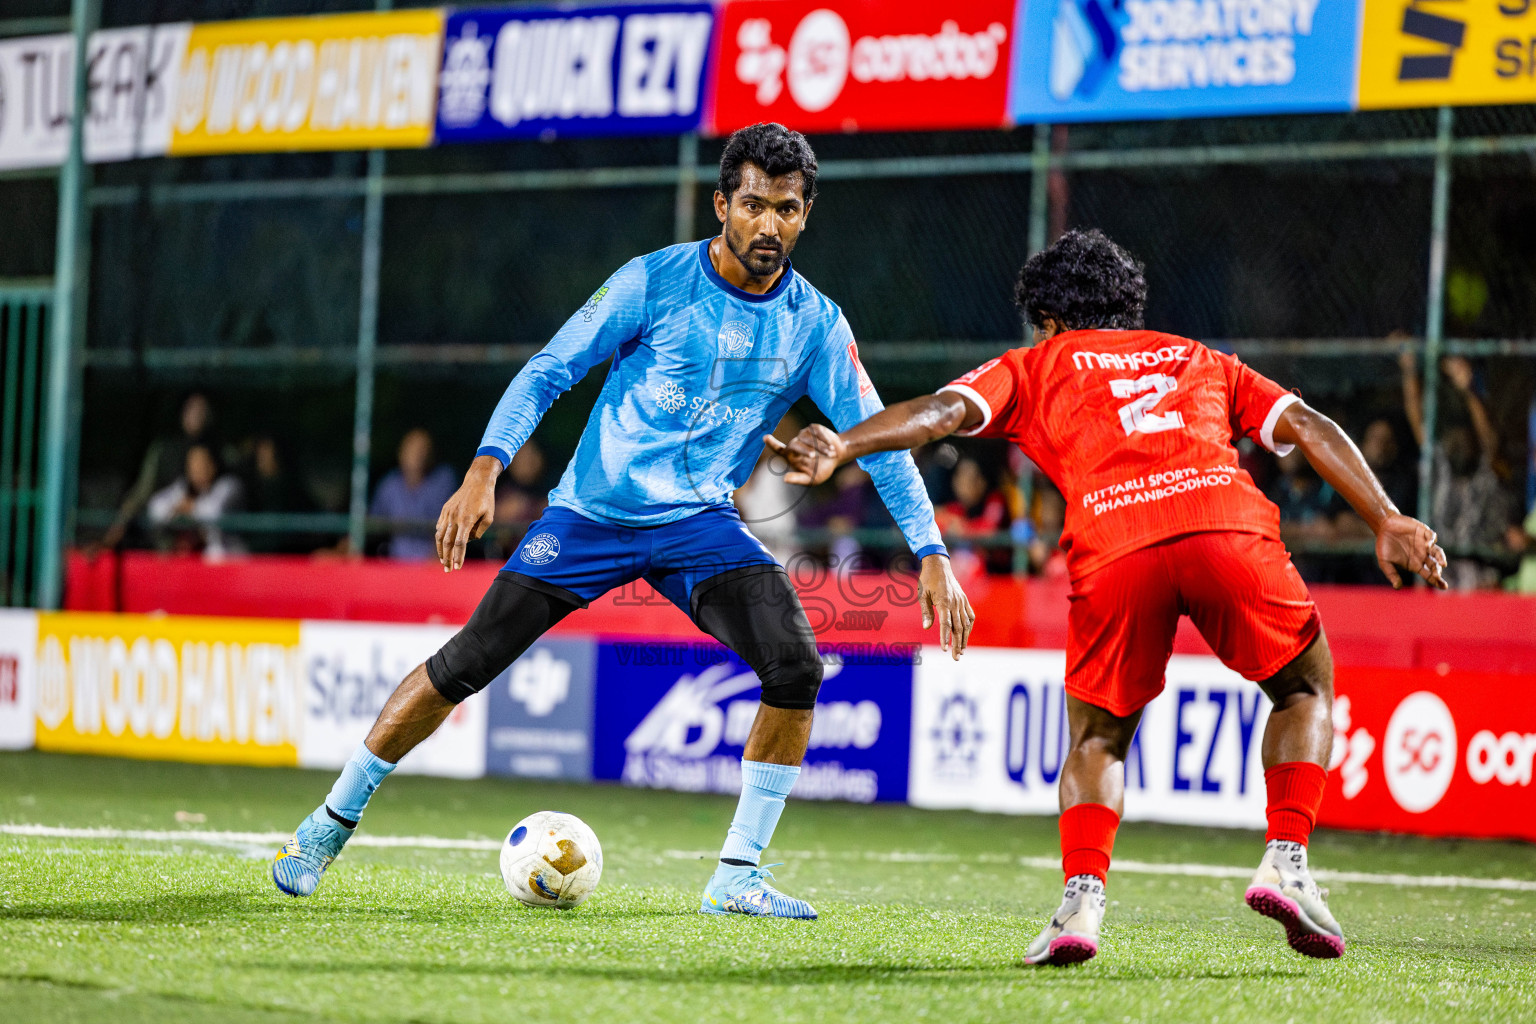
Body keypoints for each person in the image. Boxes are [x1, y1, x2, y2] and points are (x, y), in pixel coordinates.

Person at [272, 123, 974, 918]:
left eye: (786, 208)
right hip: (590, 515)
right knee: (466, 662)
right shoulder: (653, 281)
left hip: (699, 525)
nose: (768, 224)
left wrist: (931, 551)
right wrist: (485, 468)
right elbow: (549, 370)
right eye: (753, 204)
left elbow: (882, 445)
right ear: (721, 205)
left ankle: (735, 876)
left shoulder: (815, 324)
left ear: (805, 215)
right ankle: (325, 826)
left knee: (796, 667)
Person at [772, 229, 1447, 964]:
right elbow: (1309, 425)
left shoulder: (1036, 363)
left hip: (1117, 544)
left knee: (1098, 739)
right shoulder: (1199, 357)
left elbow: (940, 413)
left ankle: (1080, 906)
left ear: (1049, 320)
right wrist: (1386, 518)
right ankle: (1287, 859)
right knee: (1303, 688)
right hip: (1226, 528)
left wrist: (842, 443)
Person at [1402, 353, 1511, 589]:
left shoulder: (1484, 472)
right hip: (1442, 578)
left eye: (1464, 438)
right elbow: (1416, 417)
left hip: (1482, 576)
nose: (1458, 443)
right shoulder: (1439, 467)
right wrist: (1409, 370)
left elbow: (1489, 442)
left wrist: (1469, 391)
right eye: (1452, 438)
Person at [103, 392, 221, 549]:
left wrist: (194, 508)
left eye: (201, 411)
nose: (195, 416)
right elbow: (144, 495)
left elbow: (218, 506)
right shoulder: (164, 451)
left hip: (207, 543)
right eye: (191, 409)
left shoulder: (221, 456)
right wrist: (119, 524)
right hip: (166, 542)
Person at [369, 428, 457, 561]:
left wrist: (437, 559)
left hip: (434, 564)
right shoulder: (389, 484)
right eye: (412, 449)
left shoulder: (443, 480)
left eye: (423, 449)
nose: (418, 455)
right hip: (394, 564)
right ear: (401, 453)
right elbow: (372, 523)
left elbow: (450, 527)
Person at [146, 443, 244, 557]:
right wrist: (177, 508)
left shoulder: (229, 485)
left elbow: (214, 512)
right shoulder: (182, 487)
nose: (196, 468)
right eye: (192, 463)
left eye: (201, 463)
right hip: (193, 557)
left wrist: (189, 507)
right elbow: (155, 508)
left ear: (212, 465)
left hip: (229, 555)